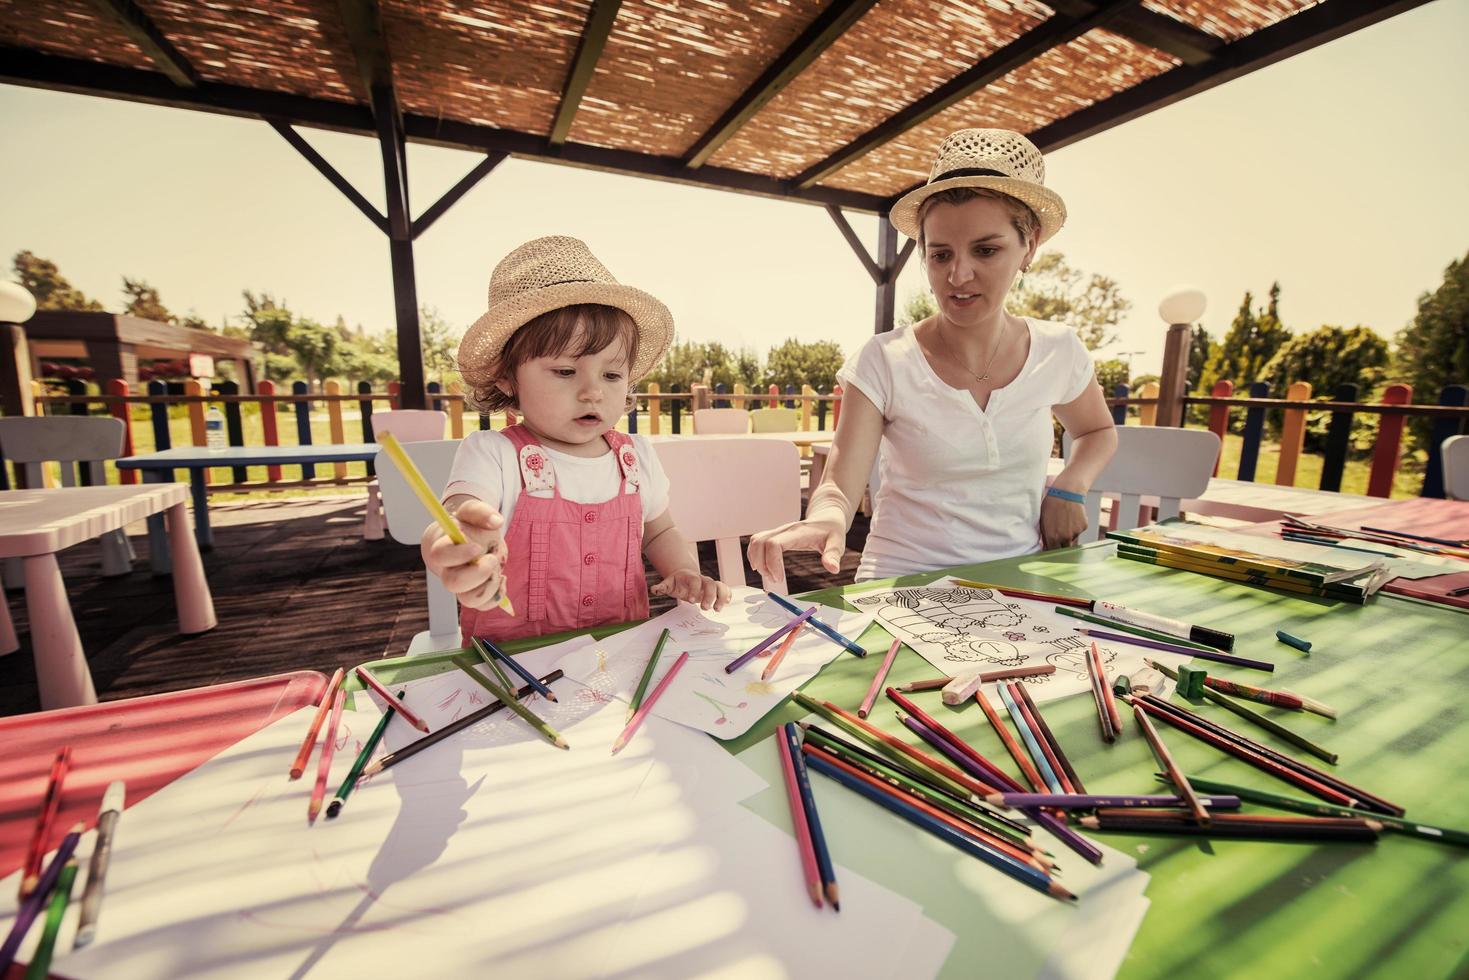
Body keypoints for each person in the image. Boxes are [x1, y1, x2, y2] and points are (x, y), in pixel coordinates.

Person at [748, 129, 1117, 582]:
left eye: (986, 250)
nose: (958, 275)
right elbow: (839, 487)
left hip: (1017, 580)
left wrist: (1070, 488)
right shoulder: (883, 359)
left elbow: (1097, 430)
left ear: (1030, 246)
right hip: (900, 584)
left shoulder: (1059, 351)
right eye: (940, 254)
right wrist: (827, 518)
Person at [423, 235, 729, 645]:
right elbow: (460, 517)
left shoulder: (635, 457)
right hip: (512, 664)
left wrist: (683, 570)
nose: (593, 392)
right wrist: (455, 543)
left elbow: (659, 531)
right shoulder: (493, 454)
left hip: (621, 650)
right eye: (566, 372)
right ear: (508, 379)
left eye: (612, 375)